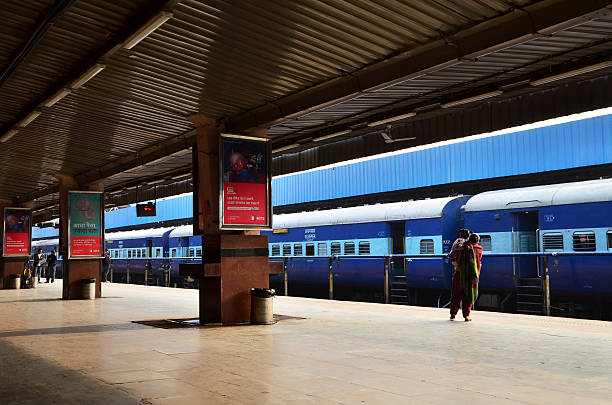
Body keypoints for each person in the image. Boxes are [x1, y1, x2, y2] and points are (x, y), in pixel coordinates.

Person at [450, 233, 483, 322]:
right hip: (471, 275)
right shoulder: (479, 249)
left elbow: (453, 257)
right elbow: (478, 263)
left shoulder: (461, 247)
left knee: (456, 294)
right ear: (477, 241)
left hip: (459, 273)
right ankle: (466, 315)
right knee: (468, 295)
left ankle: (453, 314)